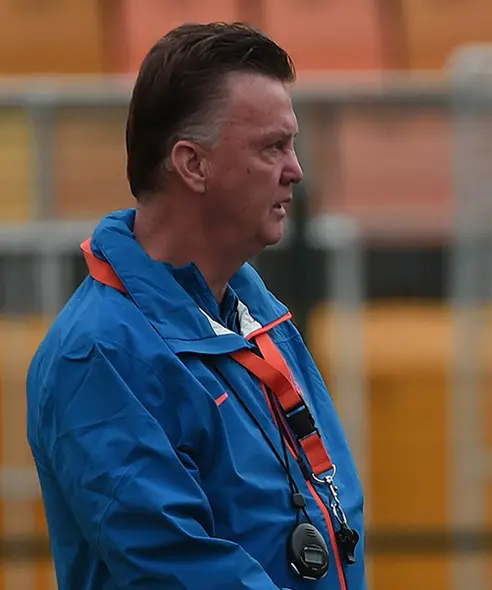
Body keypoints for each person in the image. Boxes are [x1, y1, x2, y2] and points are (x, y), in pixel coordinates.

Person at [25, 22, 365, 589]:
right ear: (192, 164)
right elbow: (181, 571)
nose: (295, 170)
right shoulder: (98, 356)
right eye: (272, 146)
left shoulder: (260, 320)